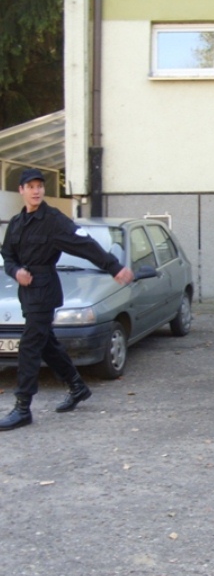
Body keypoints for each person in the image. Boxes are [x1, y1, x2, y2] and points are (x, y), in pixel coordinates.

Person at [0, 168, 135, 431]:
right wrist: (16, 272)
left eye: (40, 186)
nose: (36, 191)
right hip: (26, 292)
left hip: (44, 290)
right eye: (31, 186)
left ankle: (22, 407)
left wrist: (114, 267)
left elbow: (84, 245)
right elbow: (7, 254)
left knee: (29, 345)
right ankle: (77, 386)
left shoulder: (53, 220)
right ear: (21, 190)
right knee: (45, 343)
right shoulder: (16, 222)